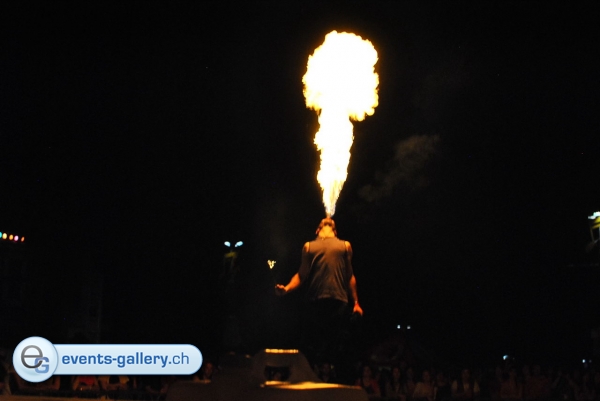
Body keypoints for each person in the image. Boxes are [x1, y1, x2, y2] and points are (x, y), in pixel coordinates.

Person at [275, 217, 363, 364]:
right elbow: (301, 275)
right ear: (317, 230)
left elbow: (349, 276)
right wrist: (287, 289)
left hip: (339, 303)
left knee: (337, 348)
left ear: (335, 231)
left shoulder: (345, 246)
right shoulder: (309, 246)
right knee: (312, 349)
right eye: (323, 223)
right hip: (315, 302)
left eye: (330, 223)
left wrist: (356, 303)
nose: (327, 220)